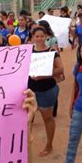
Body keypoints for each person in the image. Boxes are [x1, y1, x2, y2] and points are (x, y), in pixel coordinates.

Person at [28, 26, 64, 156]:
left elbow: (60, 70)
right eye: (36, 36)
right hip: (30, 90)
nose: (39, 39)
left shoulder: (52, 52)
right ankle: (25, 147)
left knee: (47, 118)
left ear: (46, 37)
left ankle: (49, 145)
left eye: (41, 36)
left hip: (46, 89)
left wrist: (44, 75)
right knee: (27, 120)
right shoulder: (28, 52)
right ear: (32, 38)